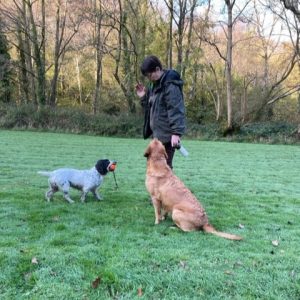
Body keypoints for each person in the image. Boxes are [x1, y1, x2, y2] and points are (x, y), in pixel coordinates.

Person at [136, 55, 185, 169]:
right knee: (155, 168)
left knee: (164, 169)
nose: (149, 78)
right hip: (157, 136)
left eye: (149, 75)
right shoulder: (155, 85)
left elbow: (176, 108)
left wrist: (176, 133)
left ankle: (170, 187)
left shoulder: (170, 84)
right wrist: (143, 97)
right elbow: (150, 109)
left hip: (167, 136)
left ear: (158, 69)